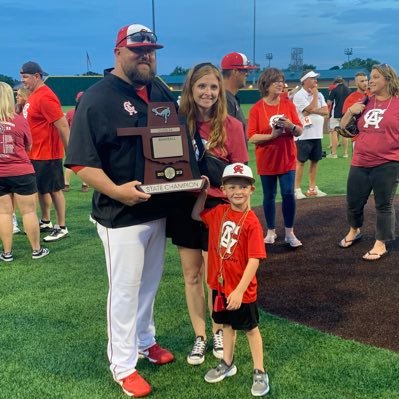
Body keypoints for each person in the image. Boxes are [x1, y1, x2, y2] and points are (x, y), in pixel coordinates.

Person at [65, 23, 178, 397]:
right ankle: (122, 364)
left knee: (149, 286)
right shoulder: (96, 97)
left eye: (151, 50)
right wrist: (115, 190)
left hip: (157, 206)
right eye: (138, 50)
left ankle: (146, 342)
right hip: (120, 214)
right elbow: (80, 161)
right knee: (125, 291)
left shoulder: (160, 89)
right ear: (118, 52)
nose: (146, 55)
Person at [169, 62, 248, 366]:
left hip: (217, 208)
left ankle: (218, 329)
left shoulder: (232, 126)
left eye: (214, 87)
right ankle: (199, 336)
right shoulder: (177, 123)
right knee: (191, 275)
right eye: (202, 86)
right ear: (191, 88)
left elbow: (240, 171)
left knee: (215, 276)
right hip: (184, 207)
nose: (208, 92)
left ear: (220, 91)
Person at [192, 163, 269, 397]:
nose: (238, 191)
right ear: (223, 189)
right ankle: (227, 363)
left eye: (243, 187)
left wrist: (238, 291)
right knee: (226, 325)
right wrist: (204, 192)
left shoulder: (252, 222)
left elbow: (255, 260)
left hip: (241, 290)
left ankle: (259, 370)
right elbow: (196, 215)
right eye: (232, 186)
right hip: (219, 286)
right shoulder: (218, 213)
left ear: (252, 190)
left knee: (250, 329)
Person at [338, 63, 399, 261]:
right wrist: (350, 112)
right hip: (360, 160)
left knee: (383, 204)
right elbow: (343, 127)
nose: (370, 81)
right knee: (354, 201)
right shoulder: (365, 101)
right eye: (370, 77)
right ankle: (354, 230)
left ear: (388, 80)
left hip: (388, 162)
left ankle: (380, 243)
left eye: (375, 77)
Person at [247, 68, 303, 248]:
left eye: (282, 80)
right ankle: (271, 230)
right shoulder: (256, 108)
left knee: (288, 193)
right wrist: (272, 136)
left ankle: (289, 232)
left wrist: (291, 126)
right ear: (266, 85)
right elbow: (252, 137)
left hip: (287, 157)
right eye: (275, 81)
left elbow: (300, 130)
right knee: (269, 195)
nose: (280, 84)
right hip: (266, 159)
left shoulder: (288, 104)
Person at [20, 61, 70, 242]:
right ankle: (47, 220)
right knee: (42, 189)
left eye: (25, 77)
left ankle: (62, 226)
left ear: (37, 76)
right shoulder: (34, 95)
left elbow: (62, 125)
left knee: (55, 190)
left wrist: (70, 151)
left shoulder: (45, 96)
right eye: (22, 77)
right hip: (36, 153)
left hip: (48, 153)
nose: (23, 80)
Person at [0, 82, 49, 262]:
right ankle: (36, 250)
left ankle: (7, 253)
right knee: (28, 212)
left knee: (3, 213)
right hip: (21, 171)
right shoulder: (19, 119)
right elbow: (29, 145)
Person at [293, 70, 329, 199]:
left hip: (317, 134)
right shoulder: (299, 96)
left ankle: (312, 188)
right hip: (303, 134)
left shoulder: (319, 95)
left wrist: (313, 110)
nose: (316, 81)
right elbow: (311, 108)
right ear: (305, 80)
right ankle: (297, 189)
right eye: (313, 78)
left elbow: (326, 112)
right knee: (301, 162)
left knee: (315, 162)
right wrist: (314, 97)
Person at [221, 52, 258, 135]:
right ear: (235, 71)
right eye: (245, 70)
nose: (247, 74)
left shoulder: (230, 98)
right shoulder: (224, 100)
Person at [64, 91, 88, 192]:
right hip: (86, 141)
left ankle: (66, 185)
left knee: (71, 163)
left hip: (73, 140)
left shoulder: (70, 112)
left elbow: (66, 126)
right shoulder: (88, 110)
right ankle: (85, 185)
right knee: (86, 163)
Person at [326, 76, 351, 158]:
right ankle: (345, 153)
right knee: (344, 133)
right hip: (346, 114)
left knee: (334, 132)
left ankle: (333, 153)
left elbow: (329, 103)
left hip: (336, 114)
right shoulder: (349, 90)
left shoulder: (334, 90)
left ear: (335, 83)